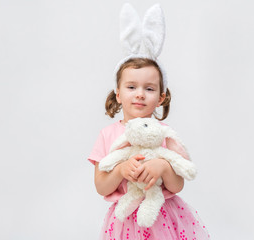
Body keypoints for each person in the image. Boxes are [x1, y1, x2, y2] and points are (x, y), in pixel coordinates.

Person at [88, 4, 210, 240]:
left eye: (149, 88)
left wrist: (164, 167)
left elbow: (177, 186)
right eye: (131, 87)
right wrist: (121, 169)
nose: (140, 94)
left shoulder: (165, 134)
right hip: (125, 222)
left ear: (161, 97)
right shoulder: (108, 135)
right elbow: (102, 187)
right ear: (118, 93)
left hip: (163, 217)